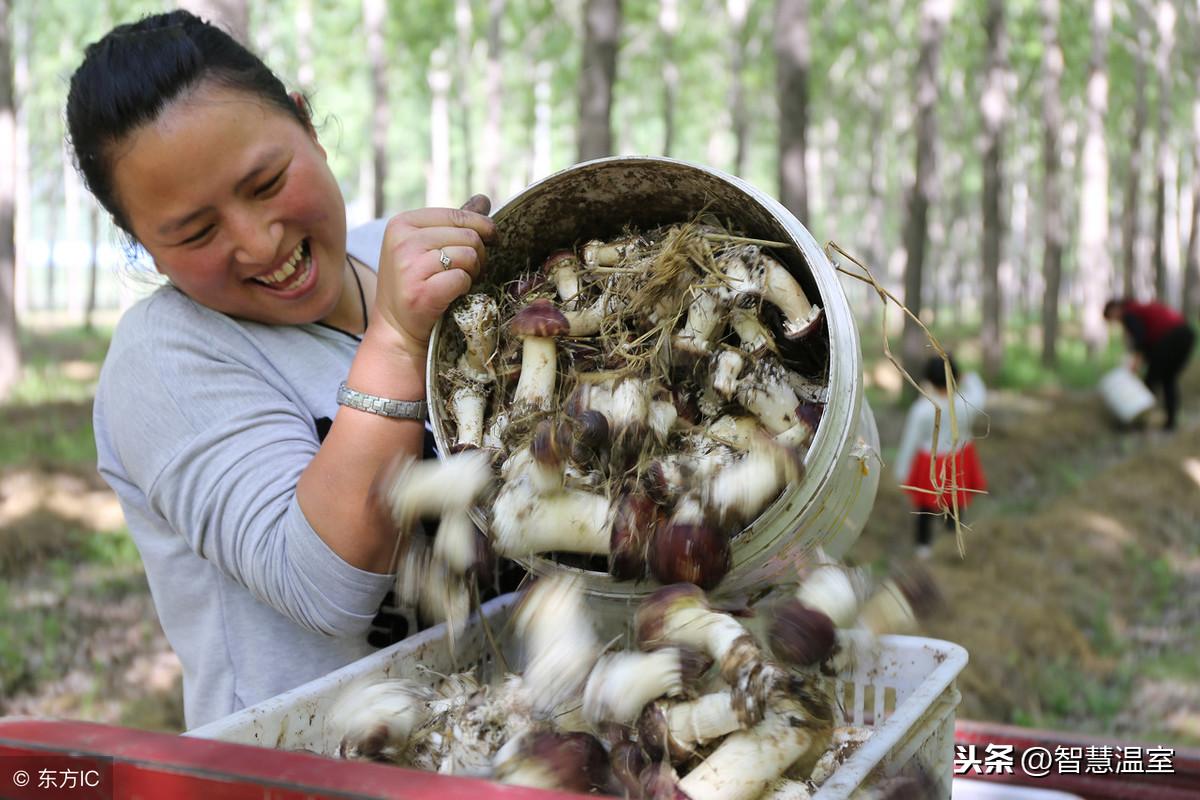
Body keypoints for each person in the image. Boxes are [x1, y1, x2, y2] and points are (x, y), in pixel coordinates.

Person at [66, 11, 496, 729]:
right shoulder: (164, 357)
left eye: (266, 183)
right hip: (306, 769)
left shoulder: (389, 255)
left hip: (503, 731)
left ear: (308, 126)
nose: (259, 242)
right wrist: (393, 342)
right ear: (144, 242)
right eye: (197, 232)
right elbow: (326, 590)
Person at [893, 354, 988, 559]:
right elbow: (980, 393)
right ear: (956, 377)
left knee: (926, 507)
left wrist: (902, 470)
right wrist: (967, 376)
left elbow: (911, 440)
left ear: (928, 380)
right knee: (955, 504)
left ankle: (923, 547)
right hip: (958, 459)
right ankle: (952, 540)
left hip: (932, 463)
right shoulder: (966, 404)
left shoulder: (922, 409)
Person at [1103, 298, 1196, 431]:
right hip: (1186, 335)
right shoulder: (1137, 308)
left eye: (1113, 317)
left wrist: (1136, 362)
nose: (1116, 321)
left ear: (1114, 309)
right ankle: (1170, 423)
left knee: (1151, 381)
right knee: (1168, 379)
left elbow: (1140, 338)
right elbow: (1148, 342)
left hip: (1172, 337)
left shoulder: (1129, 313)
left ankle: (1139, 420)